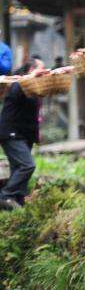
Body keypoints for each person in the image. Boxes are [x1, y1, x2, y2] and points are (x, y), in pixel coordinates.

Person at [0, 57, 45, 209]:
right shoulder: (19, 84)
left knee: (18, 168)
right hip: (12, 133)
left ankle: (18, 201)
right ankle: (6, 195)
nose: (44, 72)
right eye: (41, 68)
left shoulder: (34, 89)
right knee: (27, 166)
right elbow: (17, 92)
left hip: (24, 135)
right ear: (31, 70)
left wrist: (35, 136)